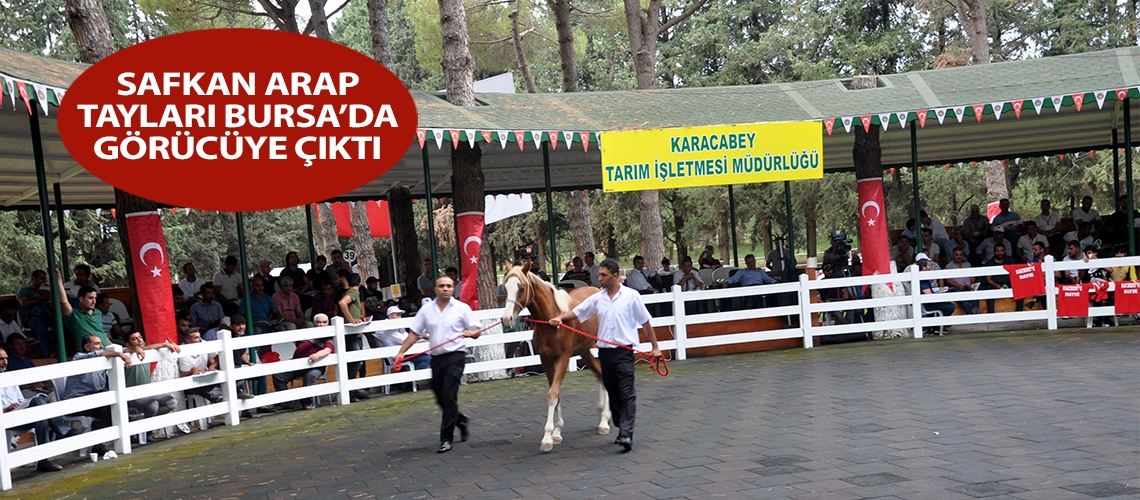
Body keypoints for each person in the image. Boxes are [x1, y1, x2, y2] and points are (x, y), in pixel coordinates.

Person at [547, 259, 662, 453]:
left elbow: (646, 322)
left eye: (603, 275)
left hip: (624, 351)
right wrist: (559, 318)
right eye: (599, 274)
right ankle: (618, 419)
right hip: (605, 352)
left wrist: (655, 347)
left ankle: (626, 433)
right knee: (612, 390)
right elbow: (577, 312)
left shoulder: (631, 296)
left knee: (627, 392)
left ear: (615, 276)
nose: (599, 278)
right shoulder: (597, 298)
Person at [395, 276, 482, 454]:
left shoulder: (462, 308)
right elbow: (414, 333)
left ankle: (446, 439)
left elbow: (477, 329)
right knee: (439, 396)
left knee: (449, 396)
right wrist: (401, 352)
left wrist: (470, 333)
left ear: (453, 288)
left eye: (449, 286)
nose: (445, 289)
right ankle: (460, 420)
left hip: (456, 357)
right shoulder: (426, 310)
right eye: (442, 286)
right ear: (435, 289)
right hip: (436, 358)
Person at [1, 346, 75, 472]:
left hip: (20, 414)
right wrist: (7, 409)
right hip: (7, 418)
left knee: (40, 413)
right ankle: (63, 431)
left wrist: (22, 404)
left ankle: (43, 461)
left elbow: (21, 400)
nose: (5, 362)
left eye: (6, 358)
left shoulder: (10, 378)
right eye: (1, 359)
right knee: (39, 405)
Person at [61, 334, 134, 459]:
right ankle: (100, 437)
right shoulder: (79, 357)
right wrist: (120, 355)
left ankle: (98, 442)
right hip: (75, 403)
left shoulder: (103, 362)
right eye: (97, 344)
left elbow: (121, 350)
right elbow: (99, 354)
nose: (101, 347)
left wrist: (134, 350)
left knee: (111, 404)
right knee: (107, 397)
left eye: (101, 343)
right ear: (87, 347)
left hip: (93, 401)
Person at [121, 331, 190, 434]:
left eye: (140, 337)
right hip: (132, 395)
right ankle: (148, 432)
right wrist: (134, 349)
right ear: (128, 343)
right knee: (152, 405)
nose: (139, 340)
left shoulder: (146, 352)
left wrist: (165, 344)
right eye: (134, 339)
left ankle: (142, 422)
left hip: (147, 392)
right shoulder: (125, 355)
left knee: (171, 402)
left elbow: (148, 348)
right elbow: (124, 350)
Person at [271, 314, 334, 410]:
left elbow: (328, 349)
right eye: (319, 322)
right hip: (298, 364)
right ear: (314, 323)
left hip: (315, 366)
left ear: (328, 324)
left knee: (310, 376)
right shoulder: (307, 333)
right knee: (278, 375)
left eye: (324, 322)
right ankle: (285, 403)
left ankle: (306, 402)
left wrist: (317, 355)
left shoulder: (328, 336)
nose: (321, 325)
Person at [56, 268, 107, 354]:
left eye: (95, 298)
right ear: (81, 299)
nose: (94, 301)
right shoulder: (73, 314)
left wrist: (112, 345)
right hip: (90, 354)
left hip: (106, 350)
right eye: (90, 298)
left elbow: (101, 331)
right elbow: (64, 301)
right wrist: (58, 279)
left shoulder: (98, 312)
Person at [338, 273, 370, 402]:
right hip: (351, 331)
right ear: (360, 283)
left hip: (354, 330)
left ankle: (353, 389)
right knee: (356, 361)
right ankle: (350, 390)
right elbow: (342, 303)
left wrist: (361, 319)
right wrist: (352, 320)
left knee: (354, 361)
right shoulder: (354, 293)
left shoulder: (348, 291)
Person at [375, 306, 431, 370]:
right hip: (397, 355)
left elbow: (406, 336)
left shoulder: (397, 325)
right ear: (390, 316)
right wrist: (417, 335)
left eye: (400, 315)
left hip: (403, 351)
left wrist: (415, 335)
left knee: (427, 354)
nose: (400, 317)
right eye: (397, 315)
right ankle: (415, 378)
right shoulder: (388, 328)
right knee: (427, 358)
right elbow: (406, 340)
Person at [178, 327, 222, 403]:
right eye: (196, 338)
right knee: (191, 386)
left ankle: (237, 391)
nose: (200, 339)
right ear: (188, 341)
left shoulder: (203, 343)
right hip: (192, 384)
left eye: (200, 336)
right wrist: (192, 370)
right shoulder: (183, 353)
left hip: (205, 378)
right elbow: (184, 374)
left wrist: (213, 365)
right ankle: (213, 397)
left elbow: (218, 356)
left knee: (221, 374)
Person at [17, 270, 54, 357]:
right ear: (34, 278)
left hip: (45, 314)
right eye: (42, 278)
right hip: (31, 316)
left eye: (45, 279)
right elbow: (23, 304)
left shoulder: (43, 291)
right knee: (41, 328)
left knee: (62, 322)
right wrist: (40, 298)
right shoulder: (24, 290)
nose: (44, 281)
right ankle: (49, 353)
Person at [982, 243, 1022, 313]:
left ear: (1004, 251)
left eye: (1001, 251)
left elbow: (1015, 274)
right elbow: (988, 278)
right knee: (989, 291)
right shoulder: (989, 263)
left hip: (1009, 283)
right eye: (997, 251)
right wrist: (996, 285)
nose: (999, 253)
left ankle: (1019, 312)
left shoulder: (1010, 260)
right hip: (995, 284)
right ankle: (991, 313)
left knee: (1020, 289)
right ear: (994, 251)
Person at [944, 248, 979, 314]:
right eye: (956, 255)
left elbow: (972, 277)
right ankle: (971, 314)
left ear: (963, 255)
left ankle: (975, 314)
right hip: (955, 288)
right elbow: (948, 280)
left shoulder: (967, 264)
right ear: (953, 255)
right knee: (963, 298)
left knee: (975, 296)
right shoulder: (949, 266)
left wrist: (972, 283)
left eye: (960, 255)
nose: (959, 256)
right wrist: (958, 285)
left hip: (967, 287)